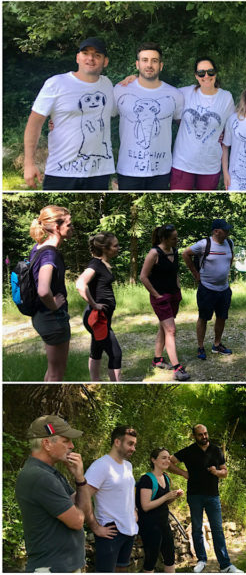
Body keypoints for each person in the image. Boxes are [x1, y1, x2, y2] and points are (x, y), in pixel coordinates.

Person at [23, 37, 114, 190]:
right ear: (78, 57)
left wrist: (132, 79)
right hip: (62, 172)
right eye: (85, 53)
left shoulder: (108, 85)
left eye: (97, 55)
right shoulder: (56, 83)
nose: (90, 58)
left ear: (105, 61)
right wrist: (29, 163)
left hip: (99, 172)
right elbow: (35, 122)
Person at [16, 415, 88, 573]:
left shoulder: (49, 473)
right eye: (66, 440)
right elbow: (78, 521)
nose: (72, 445)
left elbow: (81, 506)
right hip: (52, 569)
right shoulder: (40, 477)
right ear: (47, 443)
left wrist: (80, 479)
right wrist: (82, 486)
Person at [168, 424, 241, 573]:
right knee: (196, 529)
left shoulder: (216, 450)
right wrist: (183, 473)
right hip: (194, 495)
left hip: (213, 495)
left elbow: (225, 472)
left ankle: (225, 564)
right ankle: (201, 560)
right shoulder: (188, 451)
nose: (204, 437)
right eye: (200, 434)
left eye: (205, 433)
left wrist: (217, 472)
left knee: (218, 530)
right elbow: (169, 462)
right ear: (194, 436)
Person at [112, 42, 184, 190]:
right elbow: (100, 116)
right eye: (145, 60)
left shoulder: (175, 94)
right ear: (137, 64)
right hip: (128, 170)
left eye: (154, 61)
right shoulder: (120, 90)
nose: (149, 65)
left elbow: (184, 126)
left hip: (161, 171)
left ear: (161, 65)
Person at [170, 57, 234, 190]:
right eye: (201, 73)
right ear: (196, 76)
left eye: (210, 72)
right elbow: (160, 92)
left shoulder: (226, 97)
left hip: (210, 165)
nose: (206, 76)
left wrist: (223, 133)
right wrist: (135, 79)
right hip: (182, 163)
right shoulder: (184, 93)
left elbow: (231, 126)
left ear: (215, 73)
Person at [26, 205, 74, 380]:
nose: (72, 228)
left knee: (53, 370)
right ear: (56, 227)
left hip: (40, 316)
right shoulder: (50, 255)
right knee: (57, 372)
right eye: (68, 225)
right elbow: (43, 290)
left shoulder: (38, 247)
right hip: (52, 318)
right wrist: (55, 305)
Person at [82, 425, 139, 573]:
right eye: (130, 444)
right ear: (117, 442)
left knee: (122, 570)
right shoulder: (101, 466)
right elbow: (83, 497)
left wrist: (133, 510)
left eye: (134, 444)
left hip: (129, 529)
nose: (133, 448)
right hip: (111, 532)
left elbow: (127, 490)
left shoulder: (128, 466)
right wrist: (95, 527)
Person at [140, 224, 190, 380]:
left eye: (177, 237)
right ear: (164, 239)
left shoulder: (174, 252)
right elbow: (143, 277)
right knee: (171, 330)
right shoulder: (154, 253)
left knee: (164, 328)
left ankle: (158, 359)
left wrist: (178, 289)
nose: (177, 240)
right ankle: (177, 368)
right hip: (160, 298)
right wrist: (156, 295)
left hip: (174, 295)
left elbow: (174, 273)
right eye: (174, 238)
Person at [183, 219, 235, 360]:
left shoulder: (230, 243)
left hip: (224, 288)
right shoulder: (204, 244)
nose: (228, 232)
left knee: (222, 317)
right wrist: (195, 273)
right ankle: (200, 347)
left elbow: (230, 259)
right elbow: (185, 254)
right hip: (207, 288)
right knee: (204, 317)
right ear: (216, 231)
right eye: (225, 230)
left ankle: (217, 344)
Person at [75, 232, 123, 381]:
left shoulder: (102, 263)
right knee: (115, 354)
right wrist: (94, 304)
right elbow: (80, 284)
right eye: (115, 246)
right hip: (97, 318)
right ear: (104, 248)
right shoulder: (95, 264)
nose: (118, 248)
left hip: (101, 318)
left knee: (96, 350)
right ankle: (116, 385)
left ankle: (95, 381)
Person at [136, 448, 185, 573]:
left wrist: (173, 498)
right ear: (153, 460)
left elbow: (163, 503)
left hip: (163, 523)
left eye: (169, 458)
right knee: (151, 560)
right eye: (163, 457)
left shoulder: (166, 478)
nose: (167, 460)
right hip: (149, 525)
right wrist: (166, 496)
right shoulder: (146, 479)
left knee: (170, 557)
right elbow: (145, 506)